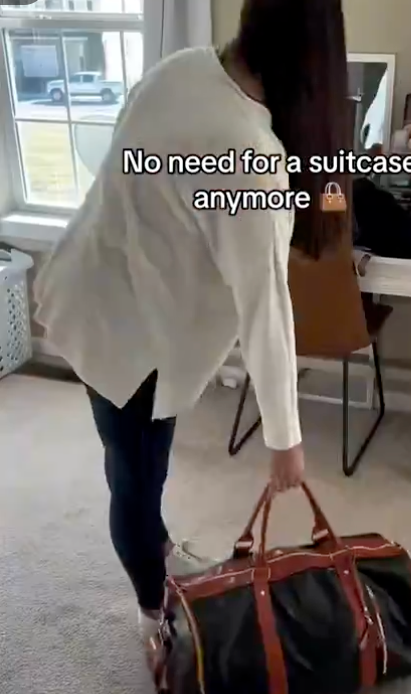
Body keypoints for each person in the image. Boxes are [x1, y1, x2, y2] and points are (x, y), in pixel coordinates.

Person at [33, 0, 351, 650]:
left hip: (86, 292)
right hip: (132, 342)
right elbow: (266, 308)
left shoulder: (180, 69)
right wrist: (285, 439)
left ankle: (155, 550)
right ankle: (154, 613)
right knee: (136, 475)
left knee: (130, 462)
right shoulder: (250, 156)